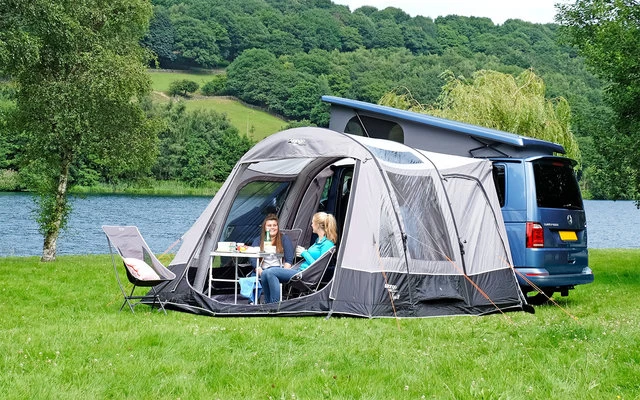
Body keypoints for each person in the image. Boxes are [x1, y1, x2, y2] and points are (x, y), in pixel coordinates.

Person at [260, 212, 338, 304]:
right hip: (299, 270)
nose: (311, 225)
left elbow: (319, 266)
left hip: (306, 275)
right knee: (265, 273)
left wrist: (304, 253)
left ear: (318, 225)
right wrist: (303, 253)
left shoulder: (327, 244)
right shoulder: (318, 241)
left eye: (313, 223)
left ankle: (274, 305)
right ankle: (267, 305)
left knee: (271, 272)